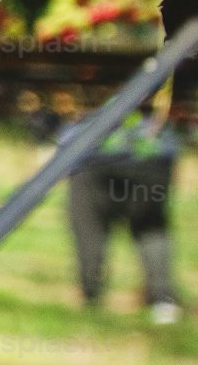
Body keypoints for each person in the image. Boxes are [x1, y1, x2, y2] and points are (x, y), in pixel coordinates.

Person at [67, 102, 181, 323]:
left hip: (94, 158)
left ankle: (91, 296)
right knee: (151, 227)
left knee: (89, 228)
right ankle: (162, 301)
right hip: (153, 159)